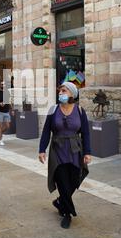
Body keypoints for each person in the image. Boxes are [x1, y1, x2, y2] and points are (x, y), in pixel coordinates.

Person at [38, 82, 92, 229]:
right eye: (60, 91)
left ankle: (60, 201)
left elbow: (86, 133)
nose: (60, 93)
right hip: (58, 150)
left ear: (72, 94)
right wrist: (42, 149)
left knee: (74, 180)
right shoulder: (53, 109)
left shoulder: (80, 110)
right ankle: (67, 213)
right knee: (62, 180)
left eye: (64, 90)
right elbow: (46, 132)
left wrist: (87, 152)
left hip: (75, 150)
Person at [0, 82, 12, 146]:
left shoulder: (7, 92)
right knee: (0, 127)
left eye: (4, 84)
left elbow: (9, 100)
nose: (3, 85)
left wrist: (12, 109)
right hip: (0, 112)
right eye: (2, 84)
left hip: (7, 111)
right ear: (0, 85)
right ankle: (1, 140)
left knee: (7, 126)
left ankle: (0, 133)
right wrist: (0, 104)